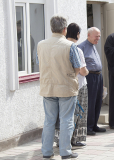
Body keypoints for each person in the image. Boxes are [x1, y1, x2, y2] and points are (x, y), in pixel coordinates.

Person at [37, 15, 80, 159]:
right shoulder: (70, 45)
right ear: (65, 29)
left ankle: (47, 151)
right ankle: (65, 152)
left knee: (49, 121)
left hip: (48, 87)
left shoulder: (41, 44)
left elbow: (39, 62)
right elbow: (77, 67)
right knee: (66, 120)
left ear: (51, 28)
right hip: (66, 87)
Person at [78, 27, 106, 135]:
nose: (98, 38)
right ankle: (88, 127)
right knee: (90, 102)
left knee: (98, 101)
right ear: (89, 35)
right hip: (90, 77)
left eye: (99, 36)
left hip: (98, 76)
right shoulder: (82, 47)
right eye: (96, 36)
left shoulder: (94, 45)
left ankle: (94, 124)